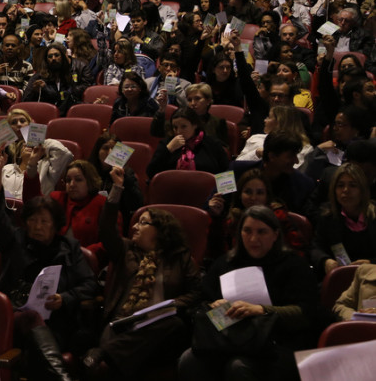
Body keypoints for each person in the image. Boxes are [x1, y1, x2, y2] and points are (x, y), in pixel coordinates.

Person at [0, 149, 98, 380]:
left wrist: (65, 298)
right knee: (30, 317)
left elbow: (89, 284)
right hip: (14, 316)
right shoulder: (16, 239)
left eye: (44, 221)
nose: (37, 226)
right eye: (32, 220)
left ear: (56, 225)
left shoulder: (69, 247)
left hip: (55, 322)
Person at [84, 167, 201, 379]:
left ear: (161, 230)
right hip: (124, 325)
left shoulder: (181, 257)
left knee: (174, 324)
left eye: (144, 223)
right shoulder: (126, 250)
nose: (136, 226)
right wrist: (117, 189)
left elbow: (196, 294)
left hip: (160, 333)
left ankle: (104, 353)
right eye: (136, 222)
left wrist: (171, 305)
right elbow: (107, 229)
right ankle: (112, 354)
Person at [178, 206, 317, 381]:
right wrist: (213, 307)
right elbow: (197, 305)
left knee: (238, 367)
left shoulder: (294, 266)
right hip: (228, 340)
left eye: (261, 232)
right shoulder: (225, 263)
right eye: (247, 231)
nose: (253, 238)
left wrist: (261, 310)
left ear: (275, 235)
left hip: (276, 343)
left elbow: (306, 314)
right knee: (188, 360)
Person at [311, 162, 376, 277]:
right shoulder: (328, 217)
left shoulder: (374, 215)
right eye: (340, 185)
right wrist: (325, 261)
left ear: (362, 190)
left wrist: (371, 263)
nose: (345, 190)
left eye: (353, 185)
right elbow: (316, 248)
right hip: (341, 277)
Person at [147, 107, 230, 176]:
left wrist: (220, 195)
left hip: (206, 192)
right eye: (175, 127)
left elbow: (226, 173)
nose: (178, 131)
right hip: (172, 191)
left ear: (195, 125)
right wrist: (168, 150)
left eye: (184, 127)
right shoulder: (167, 144)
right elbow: (151, 173)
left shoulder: (212, 144)